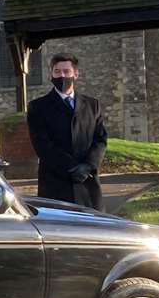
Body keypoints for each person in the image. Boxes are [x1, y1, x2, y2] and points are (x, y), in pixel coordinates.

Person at [26, 52, 108, 210]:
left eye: (66, 71)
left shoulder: (92, 105)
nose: (61, 76)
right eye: (57, 72)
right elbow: (42, 145)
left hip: (87, 184)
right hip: (55, 185)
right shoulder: (38, 107)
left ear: (75, 74)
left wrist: (88, 165)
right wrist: (71, 167)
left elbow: (100, 139)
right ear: (50, 75)